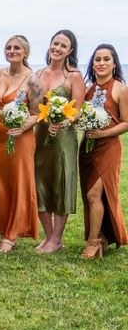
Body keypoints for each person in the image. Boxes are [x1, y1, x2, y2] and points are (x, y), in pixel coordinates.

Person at [30, 30, 85, 253]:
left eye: (63, 46)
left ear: (70, 51)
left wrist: (62, 122)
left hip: (63, 137)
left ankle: (57, 238)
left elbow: (78, 111)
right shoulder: (37, 75)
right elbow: (34, 110)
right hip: (41, 135)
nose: (58, 48)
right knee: (40, 181)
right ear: (50, 45)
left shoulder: (74, 76)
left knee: (61, 182)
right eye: (55, 43)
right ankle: (49, 237)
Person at [78, 44, 128, 258]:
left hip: (108, 148)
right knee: (90, 196)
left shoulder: (120, 89)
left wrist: (102, 134)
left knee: (94, 194)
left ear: (114, 63)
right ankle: (104, 236)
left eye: (106, 59)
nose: (101, 63)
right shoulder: (89, 89)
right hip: (88, 148)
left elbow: (126, 123)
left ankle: (93, 241)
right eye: (97, 59)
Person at [0, 35, 38, 252]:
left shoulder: (33, 79)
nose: (12, 50)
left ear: (25, 52)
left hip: (20, 139)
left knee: (18, 184)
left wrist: (23, 127)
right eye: (8, 47)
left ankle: (11, 235)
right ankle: (1, 228)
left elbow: (38, 113)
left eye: (17, 48)